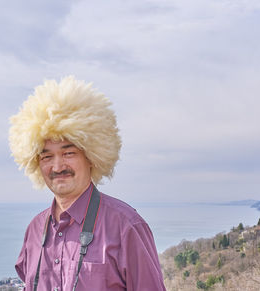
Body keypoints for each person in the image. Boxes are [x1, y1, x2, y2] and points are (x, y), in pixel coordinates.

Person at [9, 76, 166, 290]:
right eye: (46, 157)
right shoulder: (35, 230)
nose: (57, 167)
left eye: (69, 153)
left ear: (92, 156)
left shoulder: (126, 226)